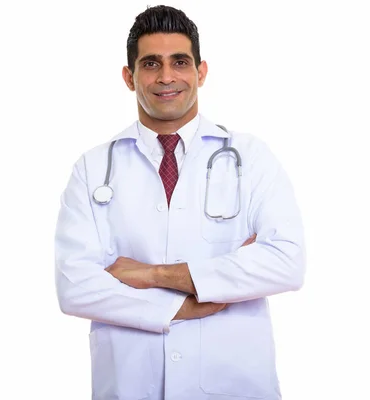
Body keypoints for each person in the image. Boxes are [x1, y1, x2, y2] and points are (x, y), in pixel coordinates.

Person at [54, 5, 306, 400]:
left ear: (201, 72)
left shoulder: (251, 157)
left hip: (236, 386)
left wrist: (153, 275)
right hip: (131, 386)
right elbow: (75, 286)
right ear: (128, 76)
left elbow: (286, 263)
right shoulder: (93, 168)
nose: (166, 77)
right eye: (151, 63)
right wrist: (185, 306)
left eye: (180, 62)